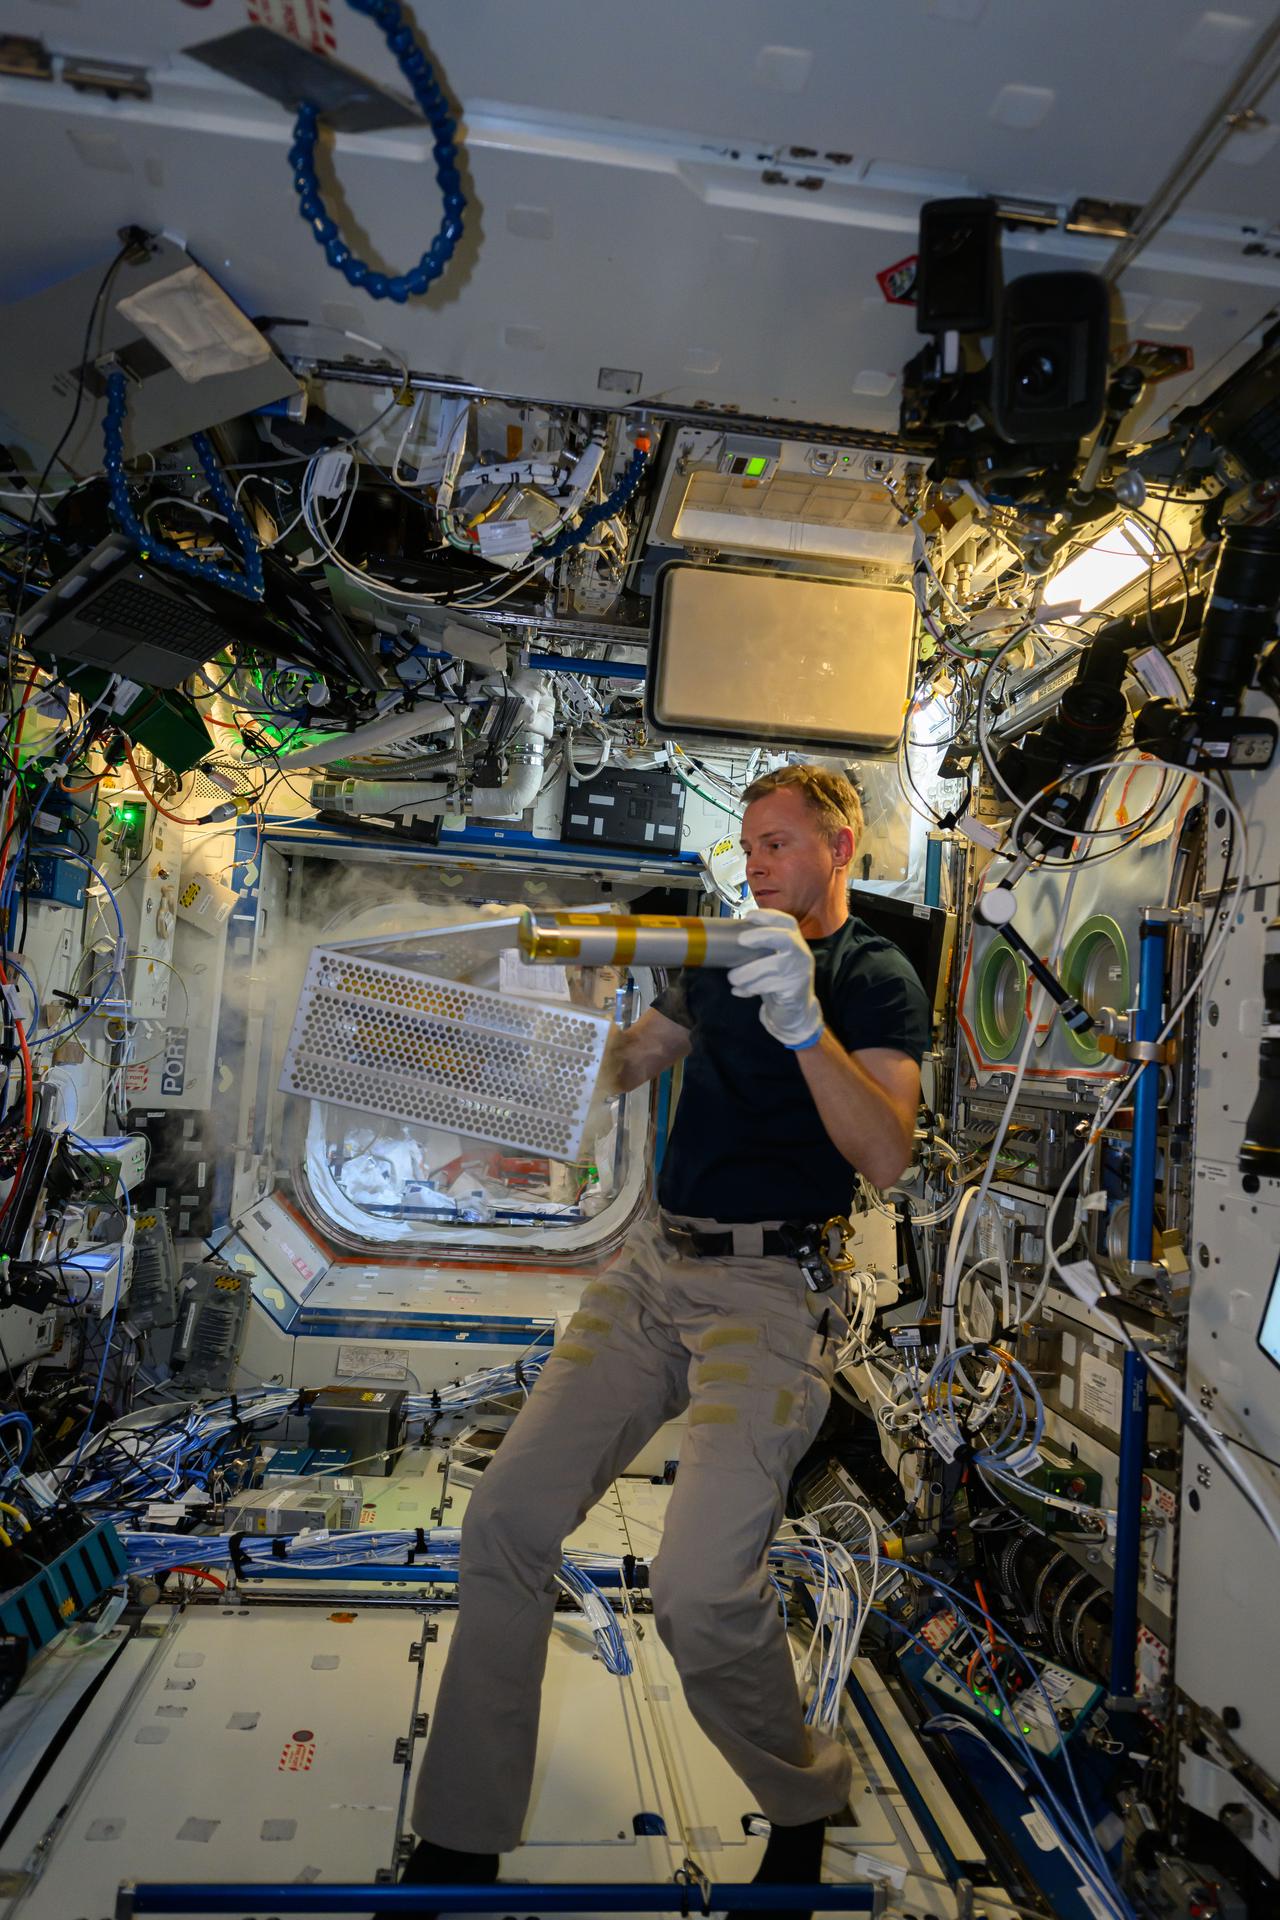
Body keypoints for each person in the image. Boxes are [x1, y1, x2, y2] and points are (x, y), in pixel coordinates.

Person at [378, 764, 930, 1920]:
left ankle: (800, 1799)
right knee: (506, 1520)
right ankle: (464, 1833)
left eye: (778, 844)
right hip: (652, 1269)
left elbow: (882, 1154)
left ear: (840, 847)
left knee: (696, 1594)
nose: (756, 866)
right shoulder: (724, 956)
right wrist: (538, 1070)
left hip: (771, 1290)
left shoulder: (869, 977)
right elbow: (639, 1056)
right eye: (748, 846)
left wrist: (801, 1023)